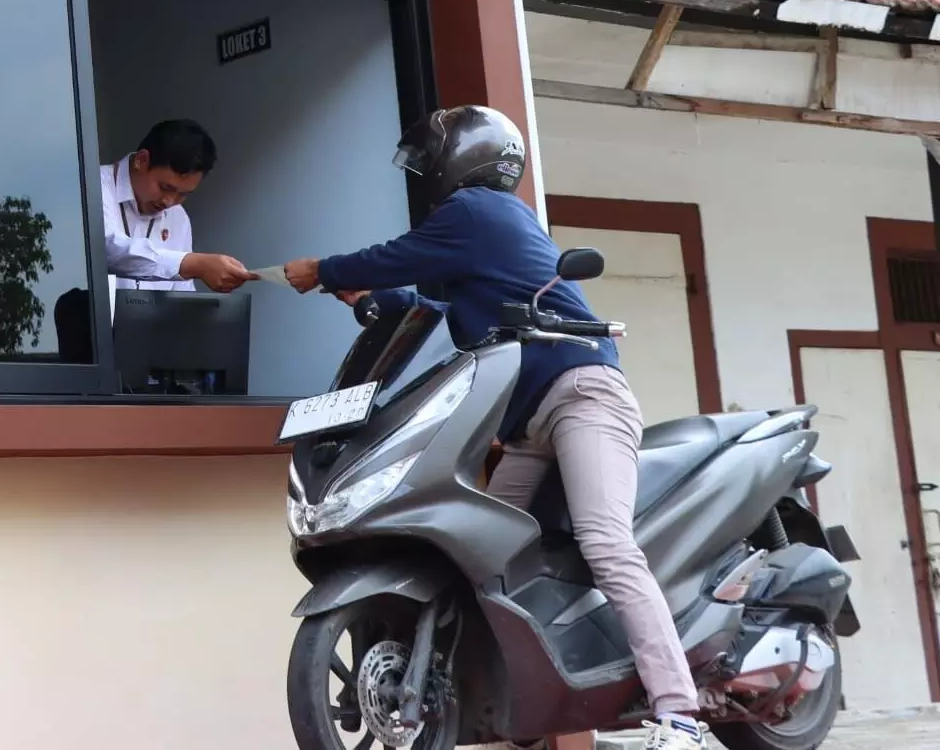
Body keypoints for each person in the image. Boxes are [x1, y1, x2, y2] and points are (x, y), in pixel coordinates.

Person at [281, 105, 707, 750]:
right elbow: (424, 303)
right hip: (529, 425)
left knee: (606, 543)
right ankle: (520, 703)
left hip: (581, 393)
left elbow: (395, 258)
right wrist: (361, 296)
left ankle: (680, 714)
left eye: (430, 161)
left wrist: (329, 269)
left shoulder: (480, 212)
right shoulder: (467, 237)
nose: (422, 175)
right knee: (479, 559)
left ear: (465, 162)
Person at [102, 119, 253, 294]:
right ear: (142, 160)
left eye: (183, 194)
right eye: (165, 187)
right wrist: (192, 264)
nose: (169, 201)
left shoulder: (178, 217)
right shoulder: (92, 189)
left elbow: (182, 294)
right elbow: (107, 249)